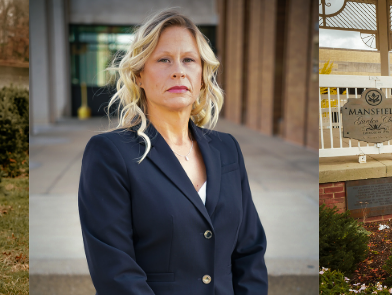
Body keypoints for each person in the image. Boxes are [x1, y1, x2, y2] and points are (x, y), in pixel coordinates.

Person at [77, 9, 268, 295]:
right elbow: (116, 272)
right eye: (164, 59)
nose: (178, 70)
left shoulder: (227, 149)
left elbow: (249, 252)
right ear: (139, 74)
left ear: (202, 75)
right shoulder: (109, 154)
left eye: (189, 60)